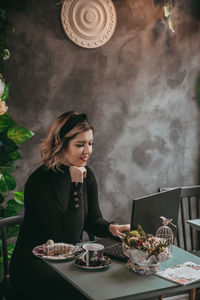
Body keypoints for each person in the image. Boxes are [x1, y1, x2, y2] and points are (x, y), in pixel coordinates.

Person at [9, 111, 130, 300]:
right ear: (60, 144)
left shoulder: (87, 174)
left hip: (67, 260)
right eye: (80, 145)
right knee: (86, 292)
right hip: (34, 264)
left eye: (90, 143)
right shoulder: (39, 181)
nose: (87, 151)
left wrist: (110, 228)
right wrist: (76, 185)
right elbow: (67, 237)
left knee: (113, 281)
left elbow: (91, 220)